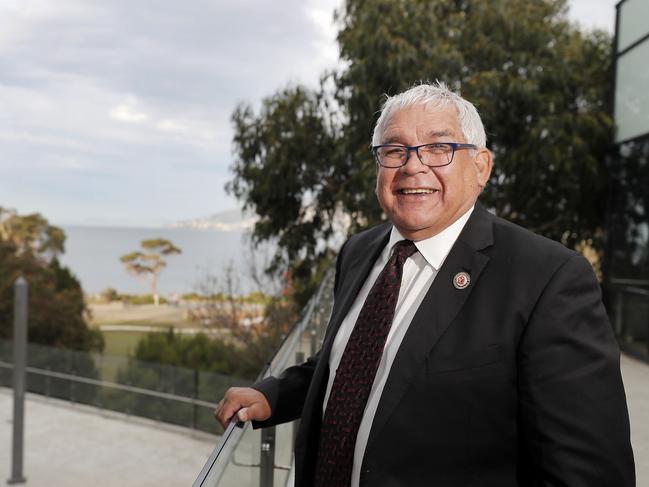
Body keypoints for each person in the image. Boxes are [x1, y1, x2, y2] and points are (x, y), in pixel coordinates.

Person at [215, 82, 635, 487]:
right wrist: (275, 395)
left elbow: (590, 473)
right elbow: (352, 361)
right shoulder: (358, 252)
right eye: (395, 151)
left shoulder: (549, 279)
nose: (414, 165)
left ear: (481, 166)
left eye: (439, 148)